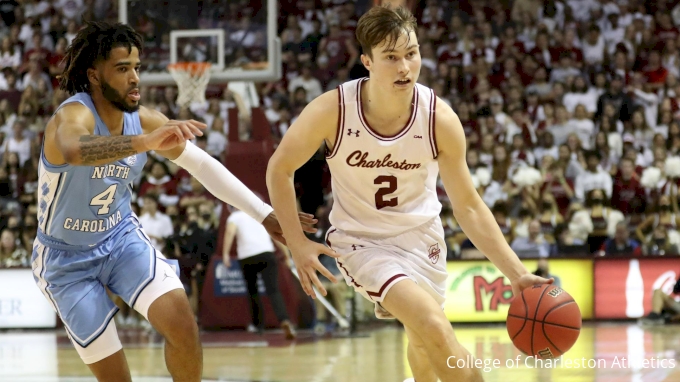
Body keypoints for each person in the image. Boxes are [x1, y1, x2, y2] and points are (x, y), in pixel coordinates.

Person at [265, 5, 552, 382]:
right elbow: (279, 170)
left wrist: (516, 273)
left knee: (422, 343)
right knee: (434, 327)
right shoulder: (332, 110)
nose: (404, 67)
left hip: (423, 241)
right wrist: (297, 244)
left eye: (411, 54)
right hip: (363, 243)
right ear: (367, 61)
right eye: (391, 57)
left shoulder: (439, 119)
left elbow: (468, 206)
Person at [33, 21, 315, 382]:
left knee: (182, 323)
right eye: (122, 69)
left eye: (137, 67)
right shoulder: (72, 115)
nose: (135, 78)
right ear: (95, 76)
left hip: (120, 239)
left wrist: (263, 214)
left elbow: (202, 165)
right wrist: (145, 144)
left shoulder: (145, 120)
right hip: (65, 259)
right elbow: (75, 149)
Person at [222, 206, 297, 340]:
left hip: (247, 257)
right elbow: (276, 236)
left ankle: (259, 326)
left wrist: (225, 254)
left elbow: (230, 233)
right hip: (266, 254)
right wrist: (287, 255)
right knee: (274, 291)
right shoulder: (259, 216)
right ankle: (284, 320)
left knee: (253, 291)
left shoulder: (234, 217)